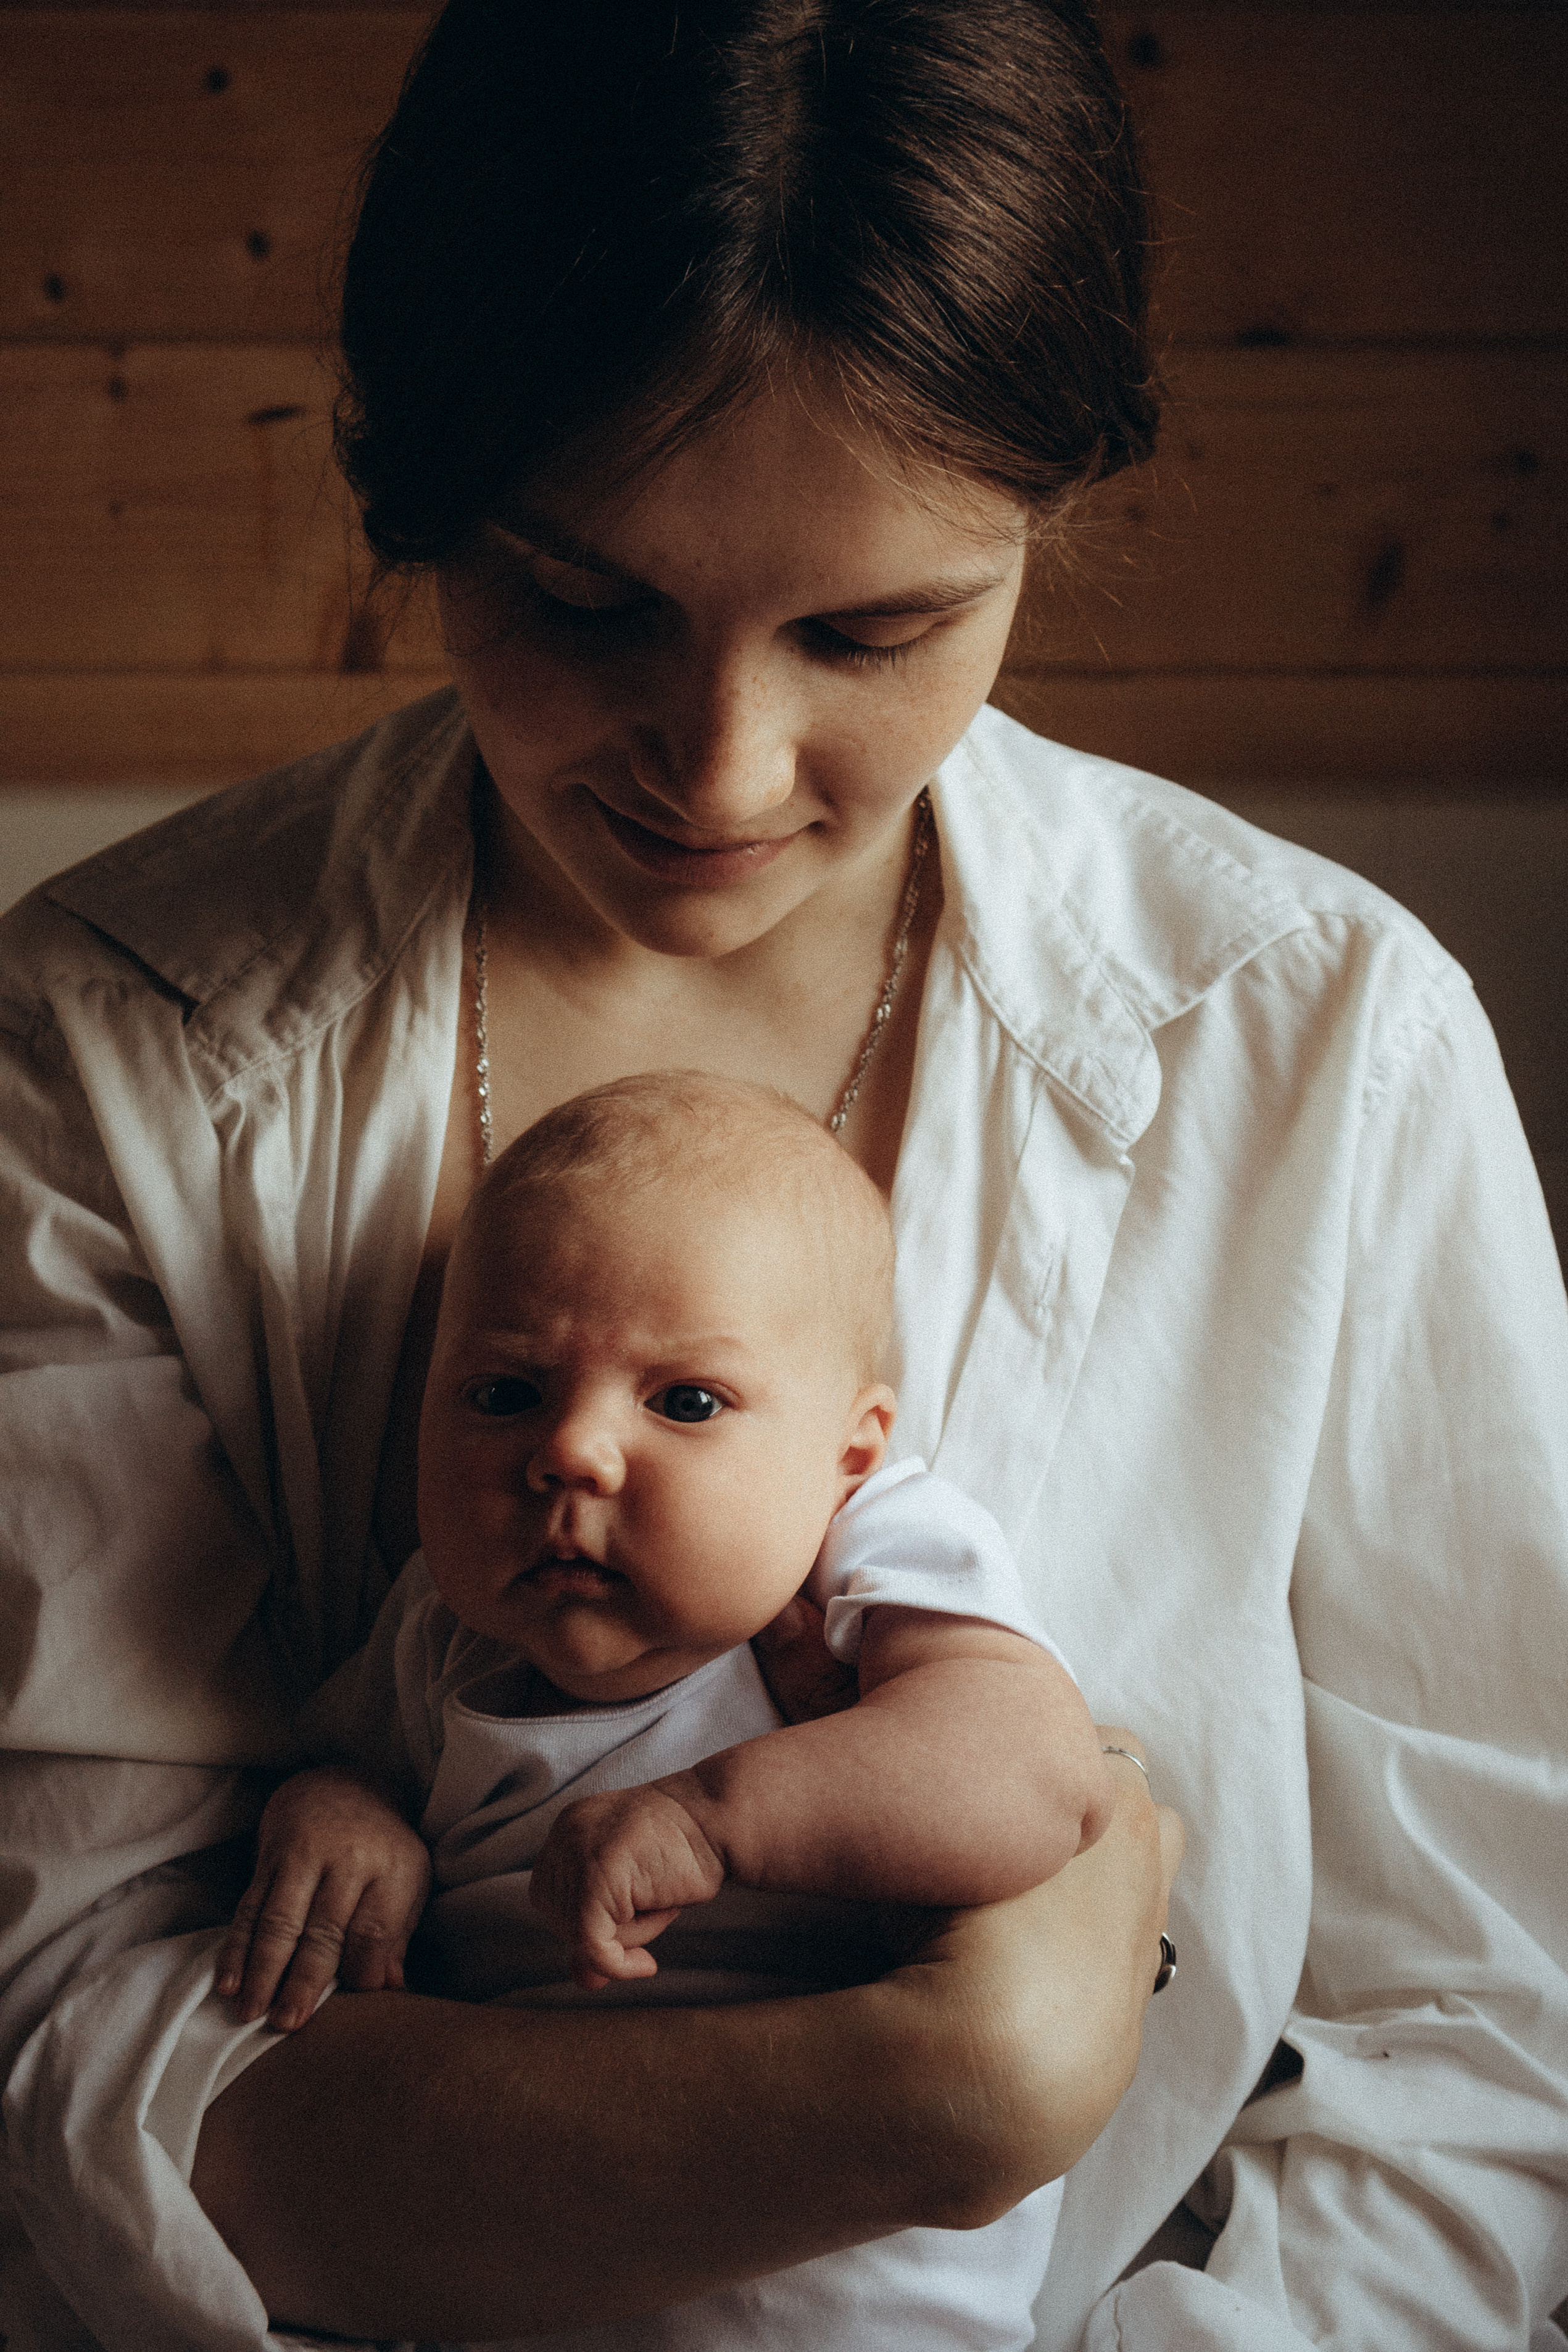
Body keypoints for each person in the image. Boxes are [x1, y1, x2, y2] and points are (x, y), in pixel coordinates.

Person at [0, 1, 1562, 2348]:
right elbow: (90, 2069)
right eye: (587, 599)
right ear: (420, 484)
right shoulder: (109, 1050)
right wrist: (952, 2082)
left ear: (1046, 517)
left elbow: (1492, 2032)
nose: (722, 769)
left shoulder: (1320, 1042)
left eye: (876, 627)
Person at [215, 1069, 1119, 2350]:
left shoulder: (868, 1559)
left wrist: (717, 1818)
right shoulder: (438, 1629)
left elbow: (1037, 1776)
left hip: (854, 2308)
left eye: (683, 1401)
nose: (570, 1450)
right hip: (516, 2269)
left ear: (845, 1453)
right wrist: (341, 1813)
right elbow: (339, 1757)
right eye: (503, 1392)